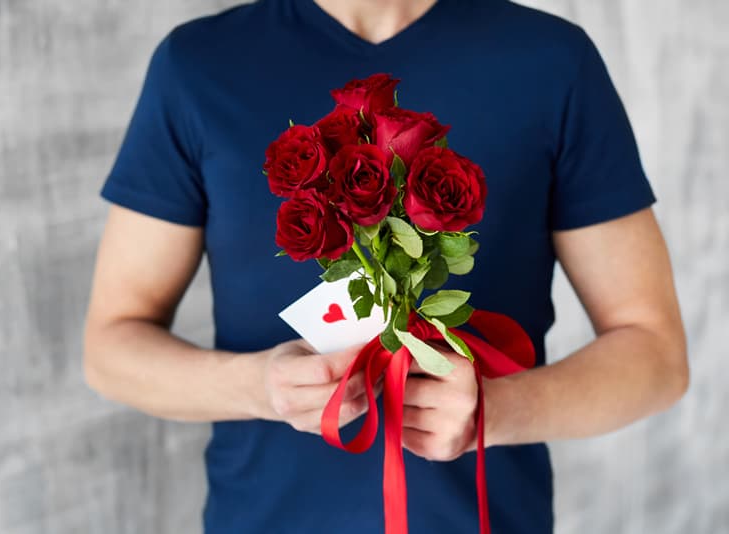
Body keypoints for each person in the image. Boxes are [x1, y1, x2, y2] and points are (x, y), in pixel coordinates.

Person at [82, 0, 689, 532]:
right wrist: (261, 388)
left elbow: (655, 355)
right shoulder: (198, 66)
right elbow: (111, 349)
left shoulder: (552, 61)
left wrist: (495, 412)